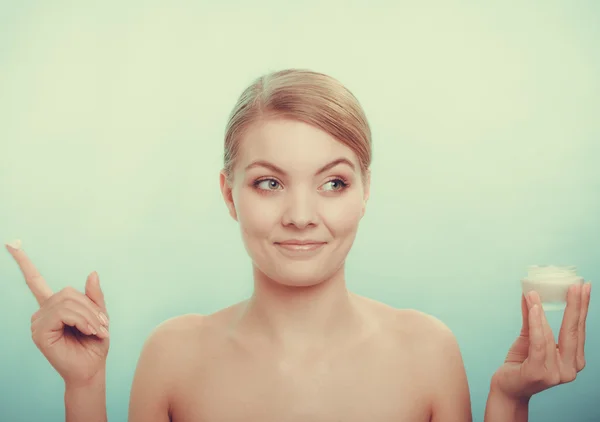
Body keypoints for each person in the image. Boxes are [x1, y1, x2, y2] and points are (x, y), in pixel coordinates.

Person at [6, 69, 592, 422]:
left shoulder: (428, 351)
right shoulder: (173, 355)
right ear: (230, 194)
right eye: (269, 182)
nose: (302, 216)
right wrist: (82, 388)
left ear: (365, 192)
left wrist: (509, 401)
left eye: (334, 182)